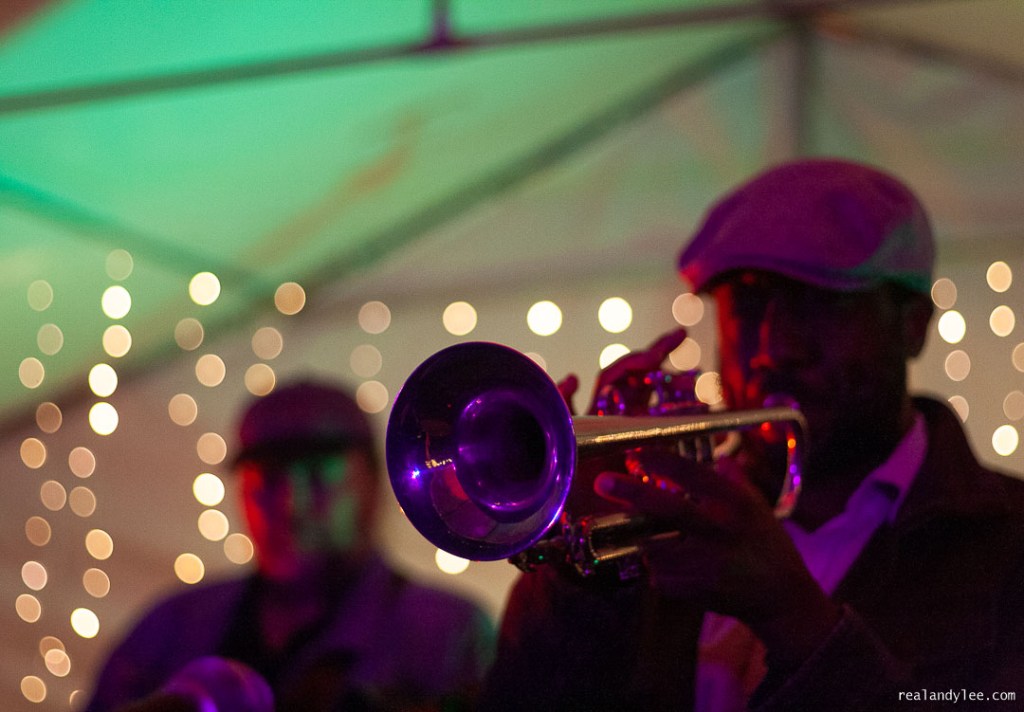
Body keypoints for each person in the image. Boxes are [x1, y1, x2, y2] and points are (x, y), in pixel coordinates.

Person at [481, 158, 1024, 710]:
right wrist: (582, 573)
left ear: (911, 325)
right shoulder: (657, 521)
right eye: (748, 303)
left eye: (822, 303)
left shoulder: (1008, 539)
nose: (775, 348)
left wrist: (794, 617)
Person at [86, 380, 495, 712]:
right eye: (268, 480)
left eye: (318, 475)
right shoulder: (169, 627)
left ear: (372, 483)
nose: (290, 503)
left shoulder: (447, 633)